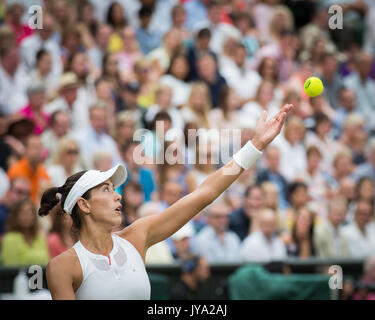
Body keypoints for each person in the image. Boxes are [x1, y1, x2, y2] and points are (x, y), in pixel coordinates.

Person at [39, 103, 293, 299]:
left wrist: (255, 145)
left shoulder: (137, 236)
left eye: (114, 188)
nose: (118, 195)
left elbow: (205, 194)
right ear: (84, 205)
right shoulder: (62, 266)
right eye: (106, 190)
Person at [1, 199, 50, 266]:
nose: (27, 215)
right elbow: (10, 269)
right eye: (23, 212)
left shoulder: (40, 238)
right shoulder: (9, 239)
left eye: (30, 212)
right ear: (16, 215)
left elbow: (47, 261)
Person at [7, 134, 50, 204]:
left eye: (39, 147)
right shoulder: (15, 170)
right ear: (26, 150)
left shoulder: (43, 171)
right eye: (34, 147)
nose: (37, 151)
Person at [0, 177, 31, 242]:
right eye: (19, 192)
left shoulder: (29, 216)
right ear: (8, 191)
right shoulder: (1, 214)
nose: (23, 197)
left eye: (26, 194)